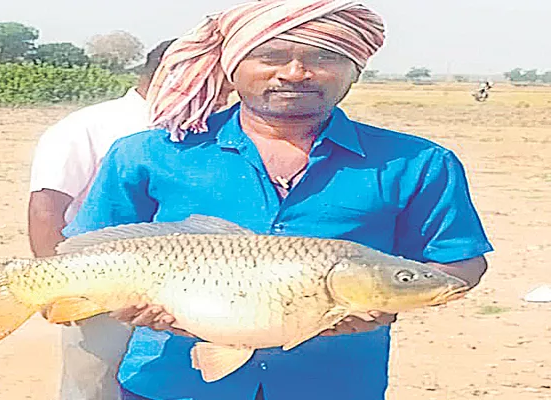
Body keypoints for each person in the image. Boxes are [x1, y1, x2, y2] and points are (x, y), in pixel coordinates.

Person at [63, 1, 493, 399]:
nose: (295, 72)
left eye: (324, 57)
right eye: (269, 56)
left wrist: (382, 304)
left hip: (336, 383)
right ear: (232, 67)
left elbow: (459, 262)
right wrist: (128, 304)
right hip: (172, 382)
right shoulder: (149, 153)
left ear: (354, 70)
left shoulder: (417, 162)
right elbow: (91, 253)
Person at [28, 38, 236, 400]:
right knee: (95, 383)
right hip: (102, 282)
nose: (228, 92)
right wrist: (55, 284)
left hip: (184, 289)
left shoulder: (207, 131)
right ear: (177, 73)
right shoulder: (90, 126)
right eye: (217, 79)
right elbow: (46, 206)